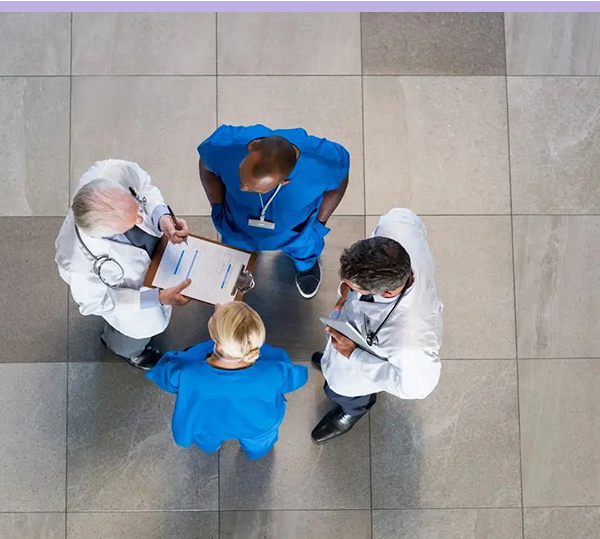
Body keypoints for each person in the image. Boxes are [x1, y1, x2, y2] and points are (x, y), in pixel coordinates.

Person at [310, 208, 444, 443]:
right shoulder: (397, 226)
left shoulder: (411, 342)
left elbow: (416, 388)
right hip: (353, 328)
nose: (347, 287)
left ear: (389, 291)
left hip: (361, 365)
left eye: (355, 287)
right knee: (333, 361)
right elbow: (409, 218)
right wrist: (345, 296)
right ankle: (333, 360)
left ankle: (353, 409)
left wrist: (355, 355)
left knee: (342, 389)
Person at [55, 159, 191, 370]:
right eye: (131, 223)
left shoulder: (109, 171)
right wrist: (156, 298)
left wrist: (160, 217)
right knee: (132, 337)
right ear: (106, 234)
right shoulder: (76, 262)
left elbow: (143, 186)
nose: (140, 219)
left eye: (136, 209)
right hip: (134, 304)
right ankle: (128, 351)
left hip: (155, 258)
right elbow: (98, 302)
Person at [197, 124, 350, 299]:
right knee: (236, 251)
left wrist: (320, 222)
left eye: (255, 189)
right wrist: (217, 205)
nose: (241, 187)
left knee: (305, 250)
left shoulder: (324, 161)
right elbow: (205, 165)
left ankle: (305, 266)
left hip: (296, 231)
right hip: (237, 224)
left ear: (284, 181)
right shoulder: (223, 146)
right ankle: (239, 263)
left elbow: (341, 180)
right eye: (241, 174)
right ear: (252, 145)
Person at [146, 301, 309, 460]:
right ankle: (255, 453)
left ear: (218, 345)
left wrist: (220, 314)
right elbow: (299, 378)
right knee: (259, 443)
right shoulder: (275, 368)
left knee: (206, 438)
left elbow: (162, 375)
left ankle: (211, 447)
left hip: (208, 422)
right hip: (258, 423)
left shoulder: (186, 371)